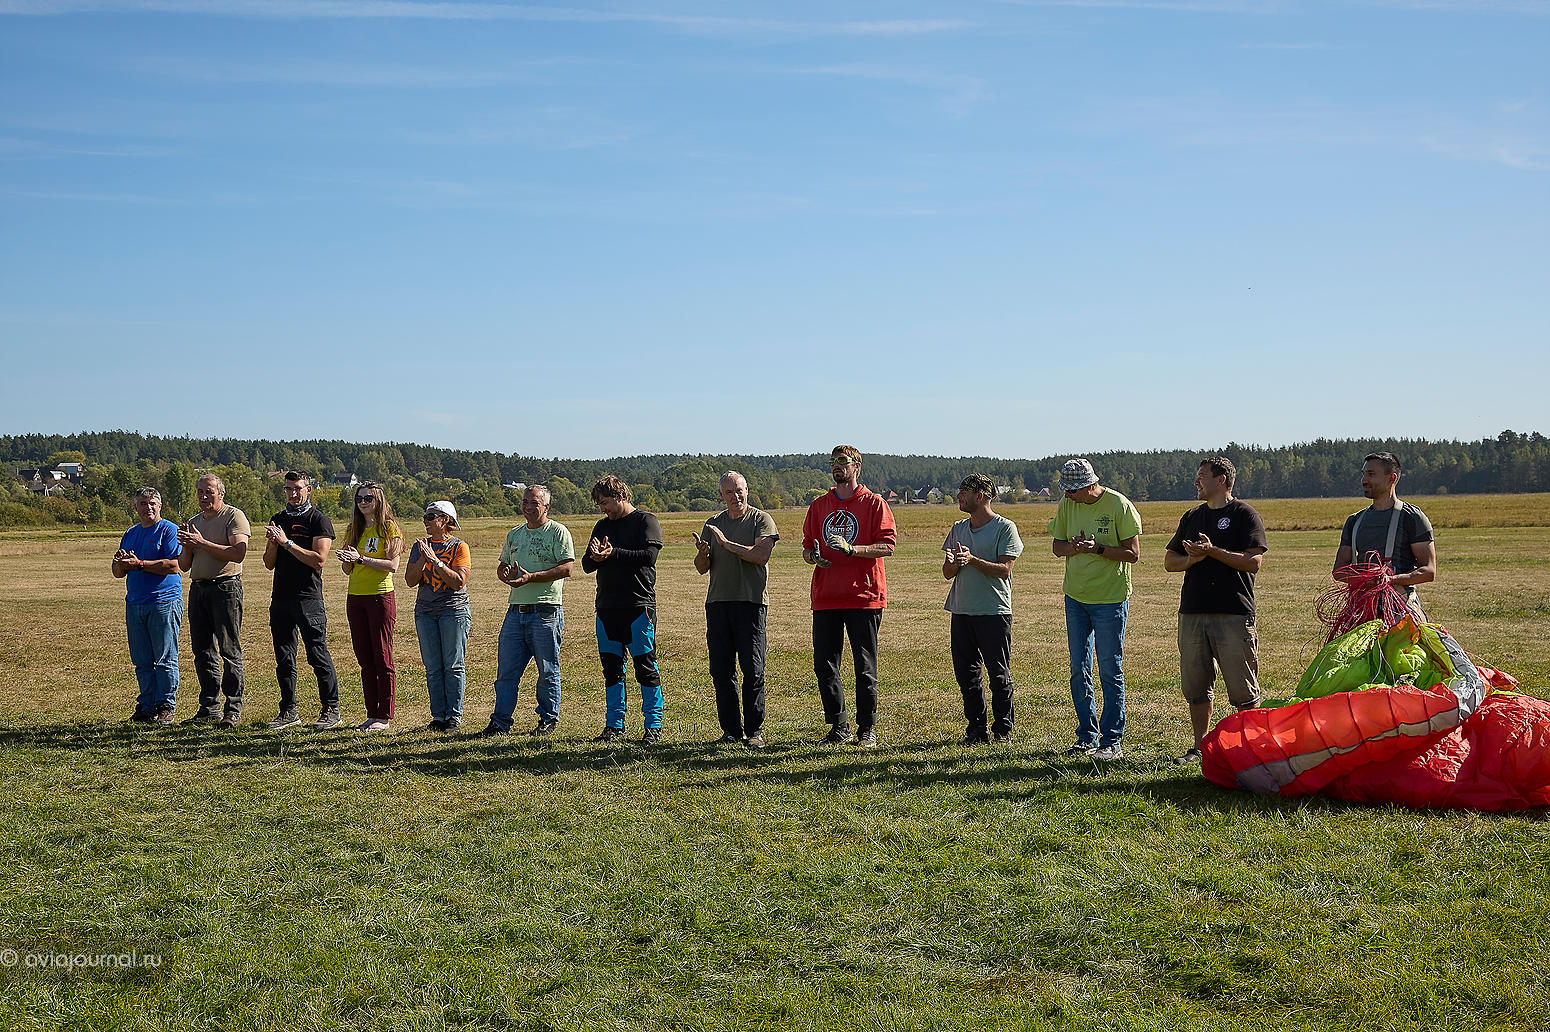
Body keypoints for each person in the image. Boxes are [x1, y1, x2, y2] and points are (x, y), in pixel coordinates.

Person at [1163, 458, 1267, 764]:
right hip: (1193, 613)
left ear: (1221, 480)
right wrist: (1192, 560)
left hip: (1233, 612)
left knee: (1242, 688)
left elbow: (1253, 562)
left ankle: (1250, 750)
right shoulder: (1192, 516)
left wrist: (1212, 552)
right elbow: (1170, 561)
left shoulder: (1244, 514)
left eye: (1201, 476)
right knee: (1196, 685)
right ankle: (1200, 748)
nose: (1196, 482)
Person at [802, 445, 896, 748]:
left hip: (863, 596)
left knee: (864, 667)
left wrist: (852, 549)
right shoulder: (819, 506)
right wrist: (814, 556)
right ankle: (838, 726)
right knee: (824, 665)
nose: (837, 466)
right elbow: (806, 548)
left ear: (857, 467)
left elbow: (887, 546)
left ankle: (867, 728)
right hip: (826, 596)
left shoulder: (874, 503)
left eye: (843, 461)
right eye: (833, 462)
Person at [1048, 458, 1141, 762]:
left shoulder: (1119, 505)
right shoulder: (1067, 504)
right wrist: (1074, 547)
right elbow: (1057, 547)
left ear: (1089, 485)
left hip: (1110, 600)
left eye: (1071, 490)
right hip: (1075, 598)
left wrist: (1098, 548)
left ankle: (1111, 740)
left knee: (1110, 669)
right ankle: (1086, 736)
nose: (1067, 495)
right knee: (1079, 668)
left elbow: (1133, 554)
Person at [694, 471, 779, 749]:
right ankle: (731, 730)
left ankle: (754, 731)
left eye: (740, 490)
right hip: (718, 603)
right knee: (721, 670)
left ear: (747, 490)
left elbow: (760, 555)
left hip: (750, 603)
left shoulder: (761, 520)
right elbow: (702, 568)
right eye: (729, 492)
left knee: (753, 669)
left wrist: (726, 544)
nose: (736, 496)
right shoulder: (713, 524)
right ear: (721, 495)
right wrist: (704, 553)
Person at [484, 485, 575, 737]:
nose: (528, 507)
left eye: (534, 503)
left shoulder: (557, 532)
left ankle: (548, 720)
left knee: (547, 670)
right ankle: (500, 723)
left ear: (546, 507)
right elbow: (502, 566)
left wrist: (531, 577)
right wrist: (505, 574)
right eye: (525, 502)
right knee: (506, 673)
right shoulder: (515, 534)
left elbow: (567, 568)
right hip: (515, 611)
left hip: (546, 611)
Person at [582, 475, 665, 745]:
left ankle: (652, 727)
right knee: (612, 670)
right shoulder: (602, 525)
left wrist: (613, 553)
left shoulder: (645, 521)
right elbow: (586, 564)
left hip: (638, 607)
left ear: (620, 497)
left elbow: (649, 557)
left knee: (645, 668)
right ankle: (614, 726)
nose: (603, 509)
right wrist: (596, 557)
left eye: (605, 503)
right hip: (607, 609)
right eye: (599, 505)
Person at [941, 473, 1023, 745]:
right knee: (967, 675)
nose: (959, 496)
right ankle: (976, 730)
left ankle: (1003, 730)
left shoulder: (1005, 528)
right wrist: (955, 562)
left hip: (993, 611)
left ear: (981, 496)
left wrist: (972, 560)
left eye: (964, 492)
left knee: (998, 674)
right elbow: (947, 572)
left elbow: (1004, 569)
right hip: (961, 610)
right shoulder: (958, 528)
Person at [263, 471, 340, 730]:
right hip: (281, 597)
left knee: (317, 654)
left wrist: (286, 543)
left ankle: (331, 709)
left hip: (308, 598)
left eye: (297, 488)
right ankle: (288, 711)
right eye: (288, 489)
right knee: (284, 657)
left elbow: (319, 560)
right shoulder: (278, 519)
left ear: (308, 489)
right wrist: (273, 543)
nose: (293, 493)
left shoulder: (319, 520)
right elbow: (268, 563)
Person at [176, 473, 250, 726]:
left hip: (225, 588)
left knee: (229, 649)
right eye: (200, 492)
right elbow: (184, 565)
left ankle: (233, 708)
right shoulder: (194, 522)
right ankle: (209, 707)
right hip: (199, 589)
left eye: (209, 491)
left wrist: (202, 542)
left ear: (221, 493)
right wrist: (187, 544)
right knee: (202, 650)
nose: (203, 496)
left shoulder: (233, 516)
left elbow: (238, 553)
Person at [1334, 451, 1436, 621]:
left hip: (1401, 609)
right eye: (1363, 474)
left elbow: (1428, 571)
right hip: (1361, 609)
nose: (1364, 480)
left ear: (1392, 478)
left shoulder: (1412, 517)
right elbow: (1339, 570)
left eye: (1371, 474)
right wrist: (1364, 579)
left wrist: (1390, 580)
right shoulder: (1354, 521)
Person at [113, 487, 183, 724]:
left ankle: (166, 705)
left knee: (164, 658)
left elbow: (175, 565)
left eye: (152, 503)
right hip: (135, 603)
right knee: (142, 660)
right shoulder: (130, 533)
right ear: (135, 507)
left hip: (163, 601)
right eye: (143, 503)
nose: (148, 508)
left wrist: (140, 564)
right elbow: (116, 572)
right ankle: (147, 705)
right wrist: (122, 564)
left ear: (160, 506)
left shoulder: (168, 530)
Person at [337, 481, 403, 732]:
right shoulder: (353, 528)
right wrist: (347, 559)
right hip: (355, 597)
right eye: (359, 499)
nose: (363, 503)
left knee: (382, 656)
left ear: (378, 501)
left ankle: (384, 716)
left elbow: (392, 565)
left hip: (380, 597)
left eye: (368, 498)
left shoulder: (388, 527)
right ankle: (371, 714)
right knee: (364, 657)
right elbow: (348, 570)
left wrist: (361, 558)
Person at [405, 500, 471, 732]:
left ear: (446, 520)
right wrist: (424, 558)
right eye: (425, 516)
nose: (426, 521)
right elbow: (410, 580)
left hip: (453, 611)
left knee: (453, 665)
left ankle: (453, 716)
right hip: (425, 612)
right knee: (433, 667)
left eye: (431, 517)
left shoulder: (459, 547)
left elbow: (458, 582)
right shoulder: (419, 547)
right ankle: (438, 717)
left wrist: (435, 561)